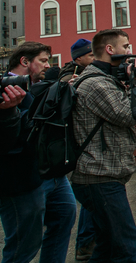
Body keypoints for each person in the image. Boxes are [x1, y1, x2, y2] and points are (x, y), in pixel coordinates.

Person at [71, 30, 136, 262]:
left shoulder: (107, 79)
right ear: (110, 49)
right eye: (126, 46)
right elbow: (130, 115)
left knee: (106, 245)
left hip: (103, 174)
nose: (130, 51)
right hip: (98, 175)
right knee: (128, 249)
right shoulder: (96, 83)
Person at [0, 42, 76, 263]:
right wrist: (9, 112)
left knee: (64, 218)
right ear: (25, 61)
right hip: (19, 181)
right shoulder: (6, 89)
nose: (47, 65)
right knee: (23, 246)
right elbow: (7, 143)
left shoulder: (35, 88)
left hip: (50, 173)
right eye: (43, 60)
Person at [58, 39, 97, 261]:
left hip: (83, 149)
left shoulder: (81, 74)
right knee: (91, 201)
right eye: (90, 55)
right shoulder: (69, 77)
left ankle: (86, 243)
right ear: (78, 58)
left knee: (91, 202)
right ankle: (84, 244)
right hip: (79, 151)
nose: (93, 59)